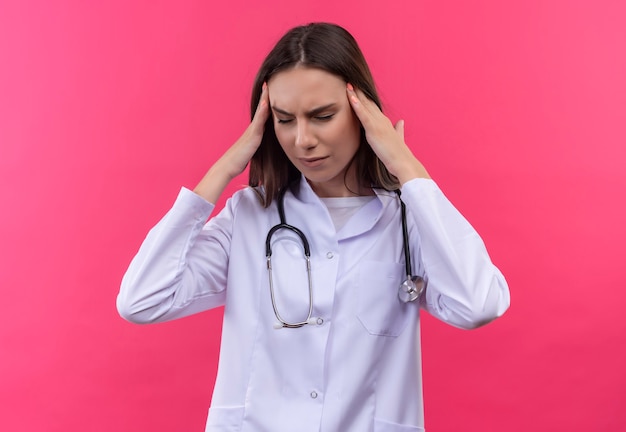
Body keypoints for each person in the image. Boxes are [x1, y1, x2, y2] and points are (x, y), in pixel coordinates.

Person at [117, 22, 510, 432]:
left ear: (364, 112)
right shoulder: (249, 217)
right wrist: (224, 169)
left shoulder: (410, 221)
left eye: (323, 116)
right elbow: (141, 301)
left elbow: (478, 304)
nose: (302, 139)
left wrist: (407, 169)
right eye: (285, 120)